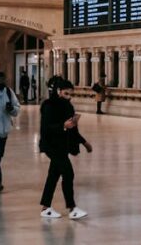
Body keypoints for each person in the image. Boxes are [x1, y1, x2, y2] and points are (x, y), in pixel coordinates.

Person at [39, 79, 88, 220]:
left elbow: (73, 128)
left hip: (62, 146)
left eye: (70, 94)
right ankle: (72, 208)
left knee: (53, 176)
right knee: (68, 173)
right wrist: (63, 126)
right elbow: (46, 128)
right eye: (66, 93)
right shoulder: (49, 106)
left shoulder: (68, 106)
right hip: (51, 146)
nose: (69, 96)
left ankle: (46, 207)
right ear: (58, 91)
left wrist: (83, 142)